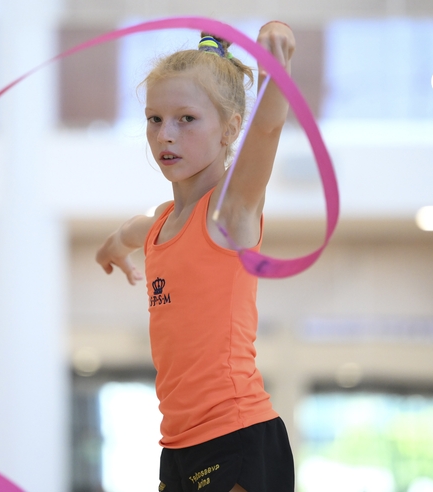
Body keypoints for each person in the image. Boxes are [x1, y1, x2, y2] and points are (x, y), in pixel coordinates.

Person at [95, 21, 296, 492]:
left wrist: (276, 67)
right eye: (154, 118)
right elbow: (129, 231)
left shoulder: (230, 211)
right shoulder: (159, 225)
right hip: (178, 446)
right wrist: (112, 251)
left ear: (229, 129)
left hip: (237, 436)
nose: (166, 134)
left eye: (186, 119)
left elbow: (267, 129)